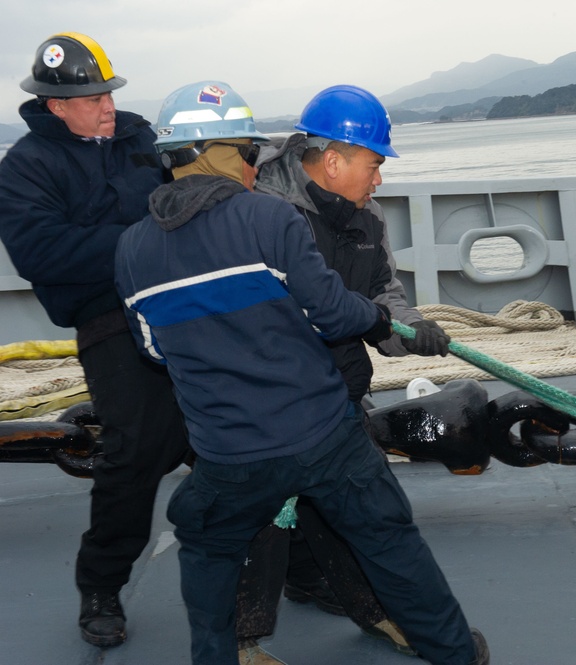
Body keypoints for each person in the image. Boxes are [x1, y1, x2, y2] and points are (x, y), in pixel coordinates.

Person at [114, 80, 488, 665]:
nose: (252, 165)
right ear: (228, 153)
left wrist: (405, 327)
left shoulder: (132, 247)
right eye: (245, 153)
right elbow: (335, 311)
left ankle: (226, 650)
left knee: (209, 550)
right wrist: (372, 320)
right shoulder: (268, 216)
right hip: (318, 426)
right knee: (386, 536)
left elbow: (154, 349)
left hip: (229, 443)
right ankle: (454, 652)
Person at [233, 84, 452, 663]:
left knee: (370, 510)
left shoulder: (367, 217)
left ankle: (355, 600)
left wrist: (410, 331)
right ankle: (240, 642)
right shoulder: (262, 219)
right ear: (333, 161)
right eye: (373, 164)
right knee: (258, 523)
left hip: (336, 393)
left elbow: (384, 294)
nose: (379, 180)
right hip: (268, 405)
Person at [0, 33, 190, 648]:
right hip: (109, 315)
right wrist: (145, 236)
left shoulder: (145, 142)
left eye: (108, 91)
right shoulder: (25, 168)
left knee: (254, 421)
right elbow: (41, 253)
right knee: (133, 446)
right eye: (90, 96)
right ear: (56, 104)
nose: (105, 104)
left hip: (186, 303)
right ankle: (102, 586)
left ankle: (293, 564)